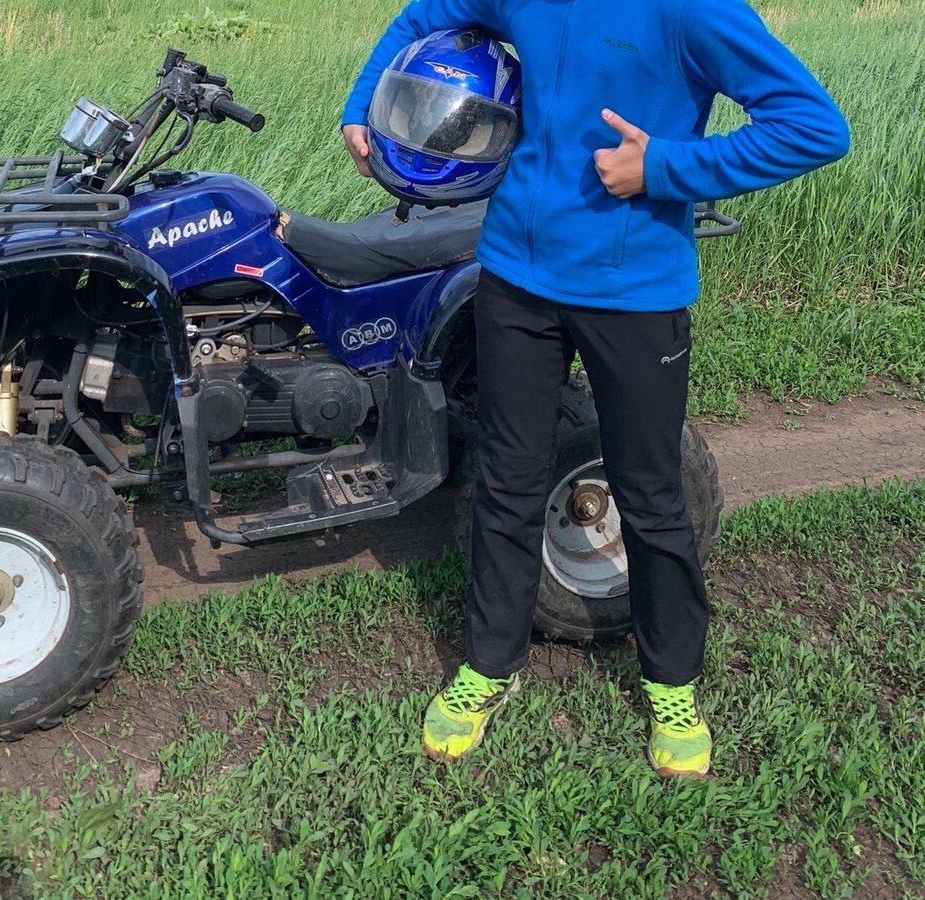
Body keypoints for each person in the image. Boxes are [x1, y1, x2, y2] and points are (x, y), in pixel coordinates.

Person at [340, 0, 850, 776]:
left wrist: (664, 168)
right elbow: (425, 13)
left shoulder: (693, 10)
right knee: (507, 480)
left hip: (635, 293)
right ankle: (489, 664)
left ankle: (672, 684)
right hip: (514, 277)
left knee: (649, 492)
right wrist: (362, 105)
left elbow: (814, 127)